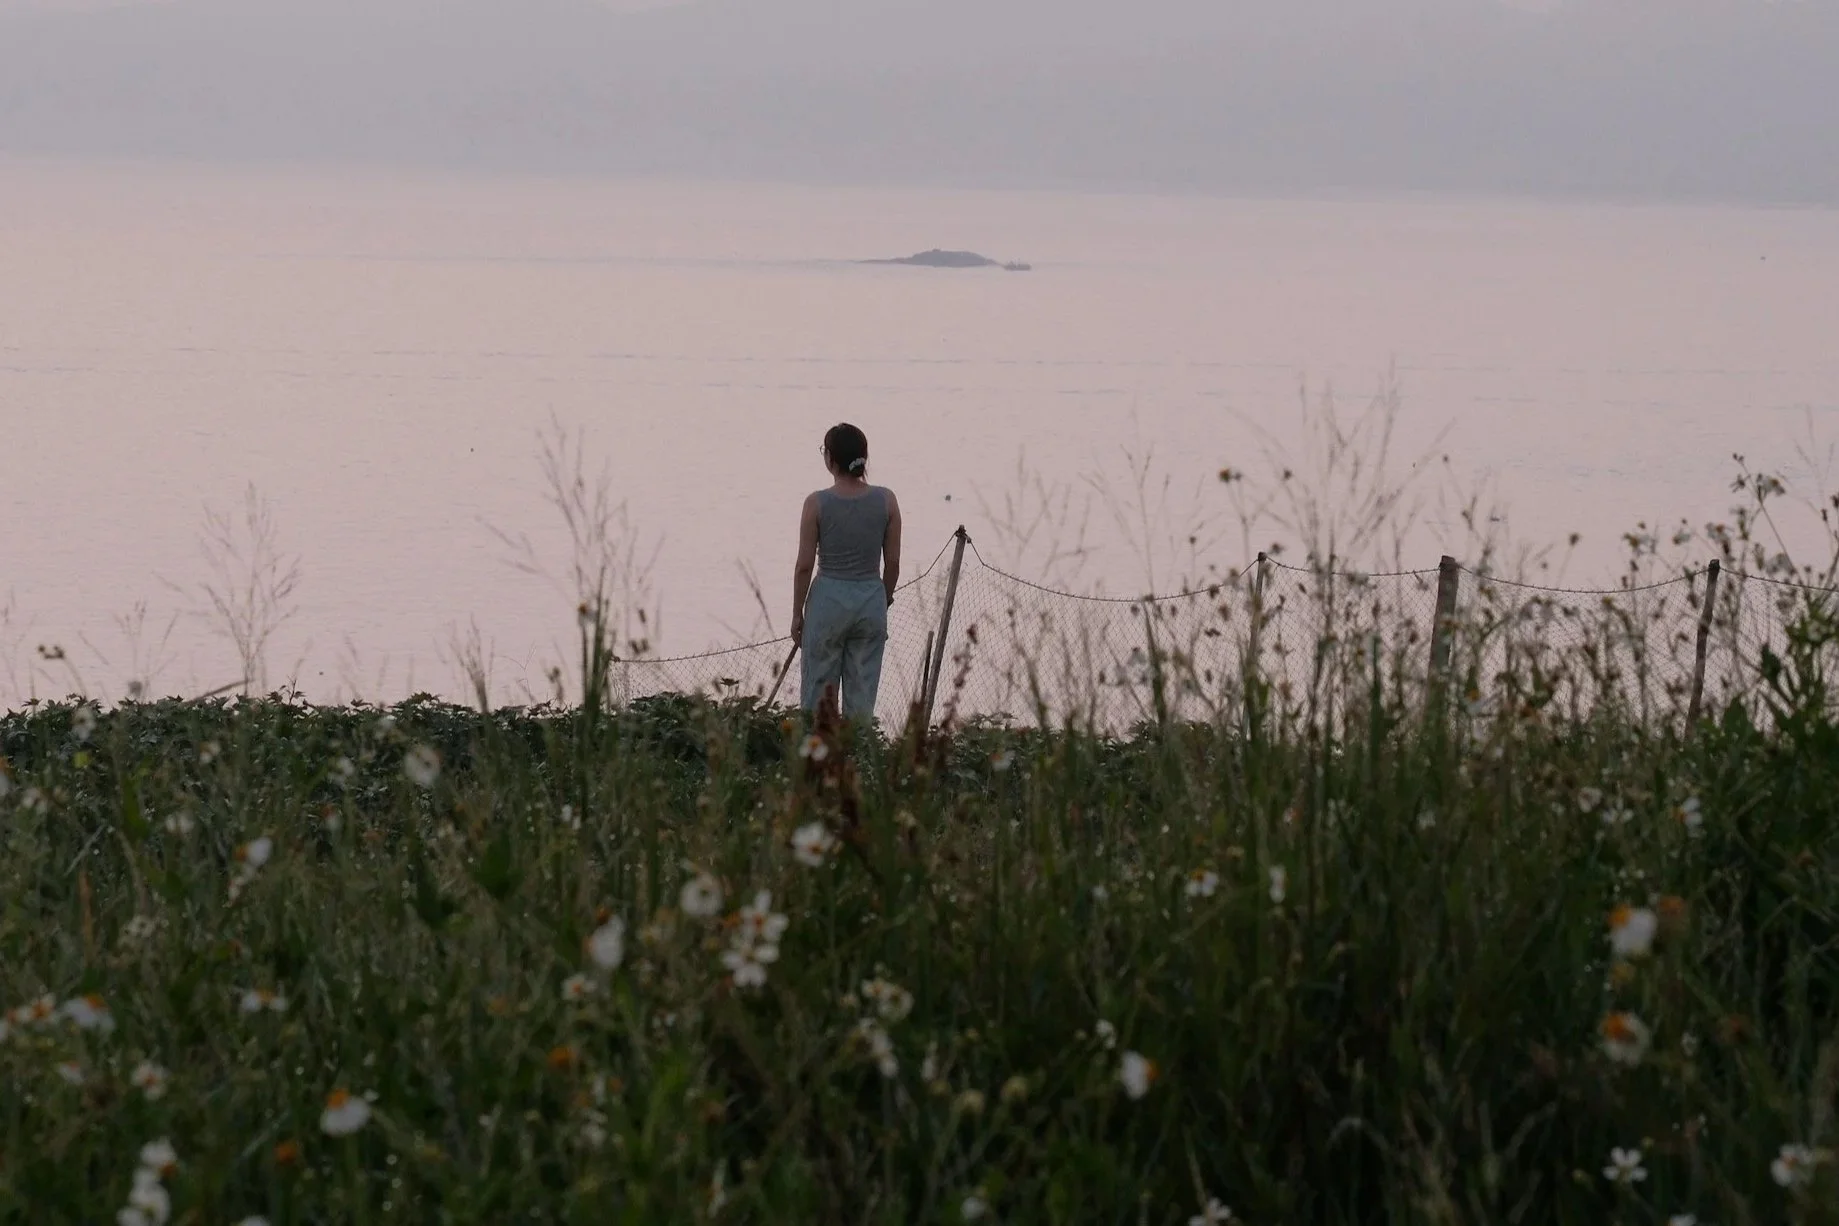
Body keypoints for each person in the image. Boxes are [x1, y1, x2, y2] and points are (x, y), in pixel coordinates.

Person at [791, 423, 902, 721]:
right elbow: (892, 563)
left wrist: (797, 613)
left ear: (831, 459)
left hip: (828, 602)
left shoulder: (816, 503)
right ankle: (859, 760)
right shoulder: (887, 501)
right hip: (870, 601)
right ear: (864, 456)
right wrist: (885, 596)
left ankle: (818, 758)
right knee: (862, 699)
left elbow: (804, 565)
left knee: (818, 699)